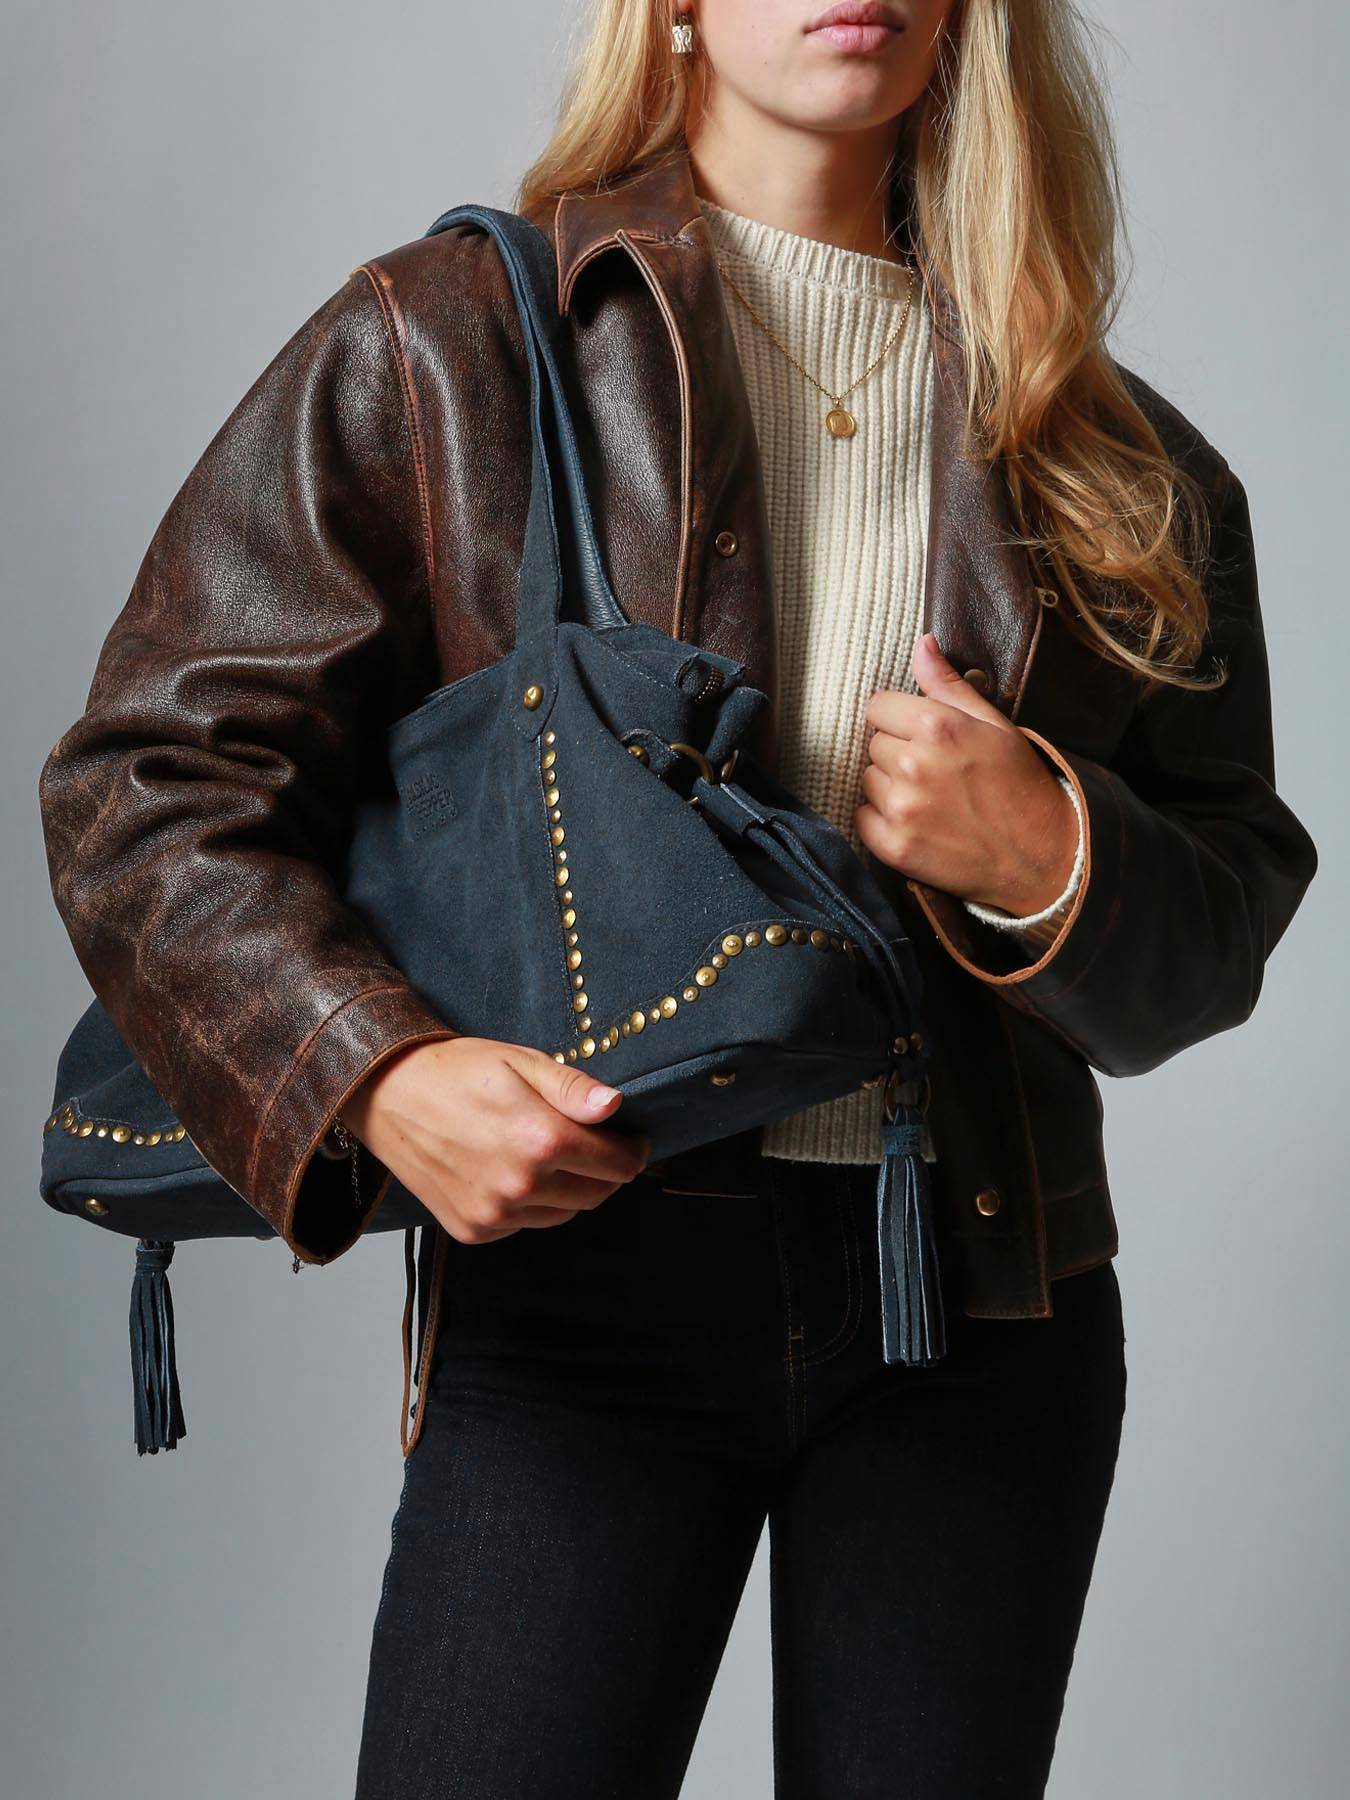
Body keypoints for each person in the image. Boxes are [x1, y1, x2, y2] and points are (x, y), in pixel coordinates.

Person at [38, 3, 1318, 1795]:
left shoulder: (1113, 457)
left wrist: (1054, 858)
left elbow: (1225, 912)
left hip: (979, 1304)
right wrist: (375, 1073)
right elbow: (148, 781)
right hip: (587, 1293)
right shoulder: (455, 341)